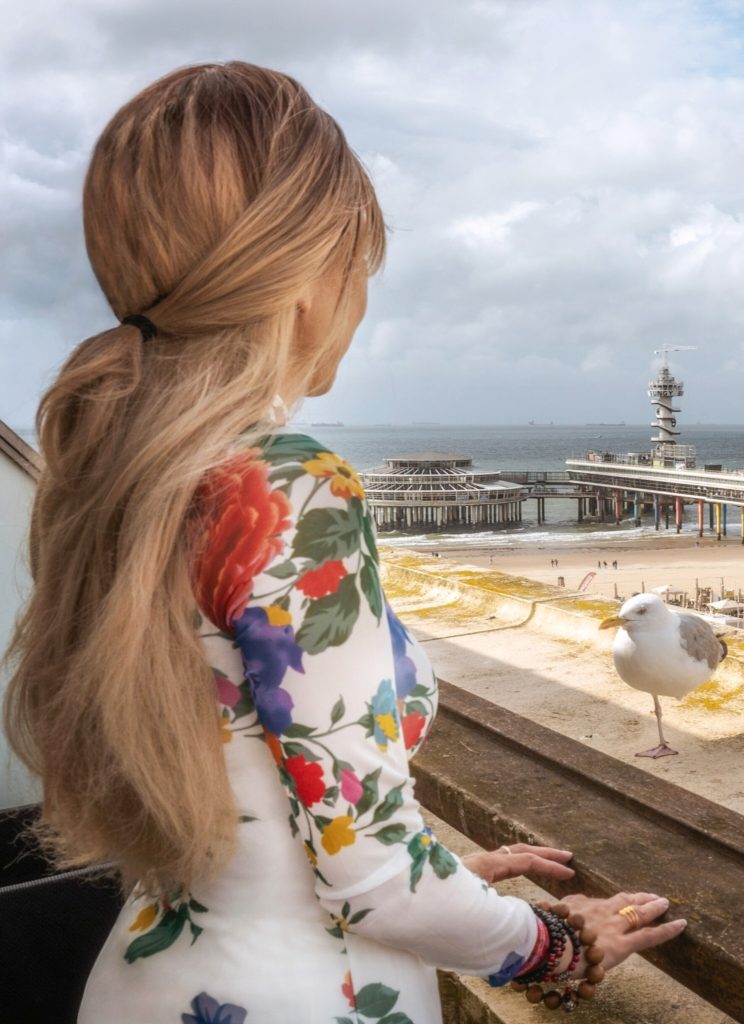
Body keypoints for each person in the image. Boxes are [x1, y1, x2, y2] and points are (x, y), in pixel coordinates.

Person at [1, 63, 685, 1023]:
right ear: (313, 281)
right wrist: (557, 946)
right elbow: (377, 885)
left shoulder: (109, 479)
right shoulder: (284, 485)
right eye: (359, 265)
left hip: (140, 985)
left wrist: (446, 876)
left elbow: (245, 792)